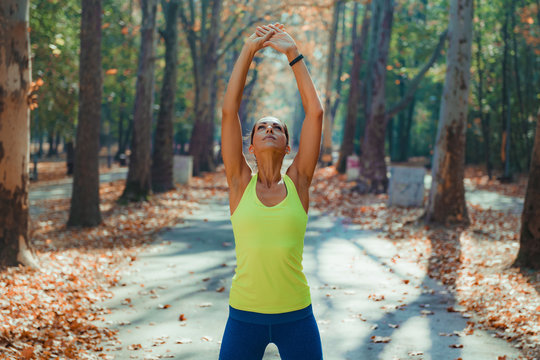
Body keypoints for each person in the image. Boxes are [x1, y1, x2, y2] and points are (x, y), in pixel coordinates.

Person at [219, 22, 324, 359]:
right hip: (243, 317)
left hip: (297, 316)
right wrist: (248, 51)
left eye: (276, 127)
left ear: (288, 145)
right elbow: (228, 111)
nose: (268, 129)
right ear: (249, 146)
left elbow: (315, 112)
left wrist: (294, 54)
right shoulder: (239, 183)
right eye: (261, 127)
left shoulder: (299, 183)